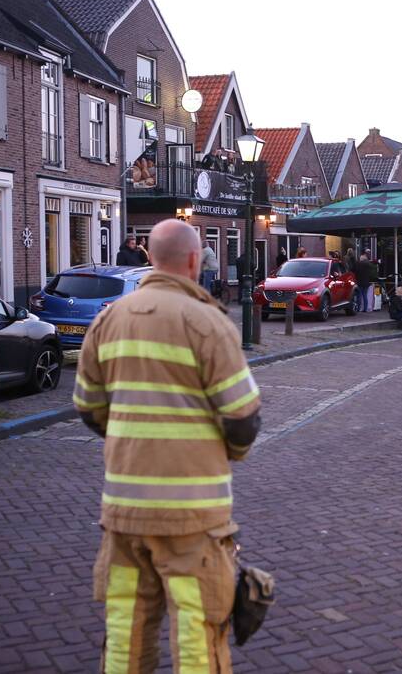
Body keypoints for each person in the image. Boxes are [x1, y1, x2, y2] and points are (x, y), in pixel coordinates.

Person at [75, 219, 262, 672]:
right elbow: (242, 419)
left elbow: (87, 407)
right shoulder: (207, 323)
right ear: (195, 261)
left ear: (150, 259)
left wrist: (133, 442)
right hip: (192, 514)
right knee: (198, 633)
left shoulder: (107, 320)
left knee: (124, 632)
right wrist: (225, 454)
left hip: (124, 512)